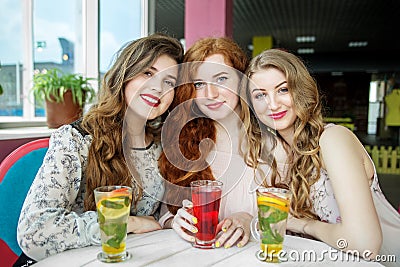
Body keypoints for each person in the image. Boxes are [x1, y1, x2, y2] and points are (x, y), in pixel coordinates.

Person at [16, 33, 183, 262]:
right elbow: (33, 231)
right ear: (124, 76)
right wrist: (126, 222)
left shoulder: (161, 149)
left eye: (169, 82)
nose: (158, 88)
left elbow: (156, 221)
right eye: (148, 73)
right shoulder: (75, 140)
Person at [243, 48, 400, 263]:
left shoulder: (333, 139)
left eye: (282, 90)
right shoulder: (281, 153)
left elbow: (366, 245)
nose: (272, 104)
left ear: (300, 90)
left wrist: (301, 224)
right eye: (260, 95)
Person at [158, 37, 276, 249]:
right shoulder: (185, 143)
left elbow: (295, 217)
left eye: (221, 79)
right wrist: (174, 220)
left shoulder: (274, 143)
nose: (210, 94)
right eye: (199, 84)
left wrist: (252, 221)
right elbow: (165, 212)